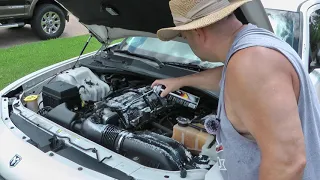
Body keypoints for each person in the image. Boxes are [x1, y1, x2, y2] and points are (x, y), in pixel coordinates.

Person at [153, 0, 320, 179]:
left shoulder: (252, 64)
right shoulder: (248, 48)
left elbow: (288, 164)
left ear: (198, 32)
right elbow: (227, 75)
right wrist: (180, 81)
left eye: (185, 37)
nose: (188, 42)